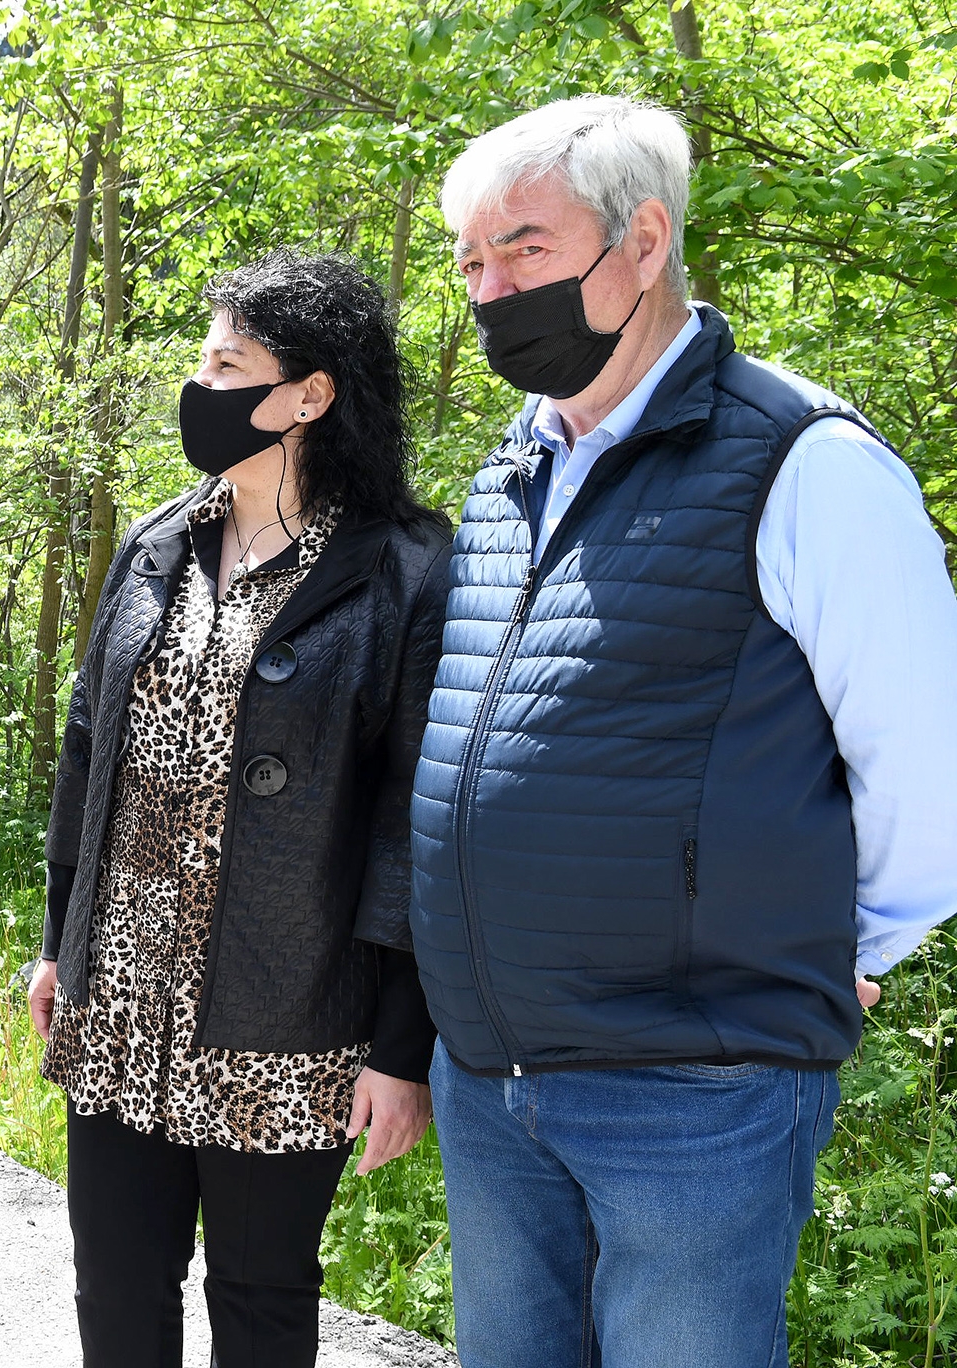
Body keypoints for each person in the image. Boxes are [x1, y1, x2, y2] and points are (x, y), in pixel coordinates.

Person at [411, 95, 957, 1365]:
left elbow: (928, 762)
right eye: (471, 264)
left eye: (526, 250)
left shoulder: (801, 462)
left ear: (641, 243)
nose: (491, 291)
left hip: (694, 1094)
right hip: (493, 1084)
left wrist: (836, 944)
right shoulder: (508, 473)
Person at [27, 249, 450, 1368]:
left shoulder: (406, 571)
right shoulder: (157, 540)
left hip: (287, 1015)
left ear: (307, 395)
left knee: (261, 1301)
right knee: (113, 1286)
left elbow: (417, 820)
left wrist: (401, 1049)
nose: (198, 385)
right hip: (117, 998)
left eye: (227, 363)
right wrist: (56, 945)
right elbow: (87, 752)